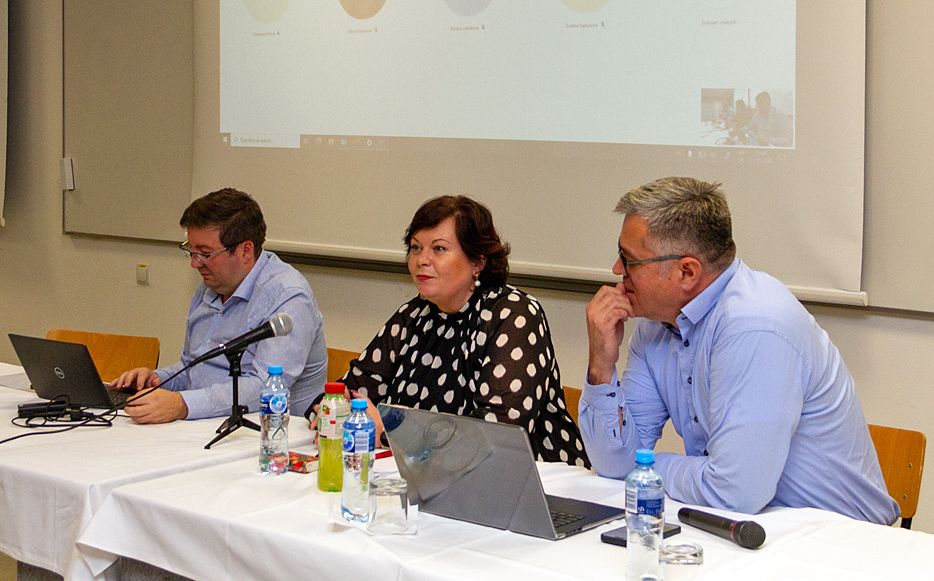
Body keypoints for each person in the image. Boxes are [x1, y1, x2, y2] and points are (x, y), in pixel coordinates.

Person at [580, 177, 898, 524]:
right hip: (750, 527)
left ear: (687, 272)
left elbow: (734, 493)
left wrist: (648, 467)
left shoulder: (755, 325)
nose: (616, 270)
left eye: (629, 260)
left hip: (840, 538)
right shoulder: (655, 323)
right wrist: (601, 365)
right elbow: (613, 464)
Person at [329, 195, 588, 465]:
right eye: (416, 248)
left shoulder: (514, 315)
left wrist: (389, 435)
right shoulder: (414, 314)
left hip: (535, 480)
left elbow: (495, 438)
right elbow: (346, 393)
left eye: (439, 249)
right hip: (428, 476)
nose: (422, 260)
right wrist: (333, 410)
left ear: (478, 262)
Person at [112, 188, 327, 424]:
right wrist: (156, 380)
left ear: (245, 250)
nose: (195, 263)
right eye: (191, 251)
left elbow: (266, 387)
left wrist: (182, 404)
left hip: (270, 433)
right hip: (203, 426)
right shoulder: (211, 286)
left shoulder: (288, 296)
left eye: (205, 253)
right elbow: (193, 368)